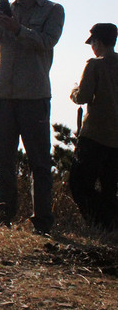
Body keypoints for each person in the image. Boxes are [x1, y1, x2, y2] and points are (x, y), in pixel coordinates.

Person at [0, 0, 64, 235]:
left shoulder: (53, 10)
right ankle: (3, 217)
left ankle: (42, 222)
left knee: (39, 163)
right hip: (2, 94)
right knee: (2, 162)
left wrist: (18, 29)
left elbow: (47, 41)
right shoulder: (9, 9)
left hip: (34, 96)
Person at [69, 23, 118, 231]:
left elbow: (83, 96)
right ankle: (110, 225)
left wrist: (73, 90)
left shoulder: (95, 65)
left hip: (94, 136)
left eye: (93, 43)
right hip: (116, 140)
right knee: (109, 187)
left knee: (79, 184)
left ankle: (100, 222)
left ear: (97, 42)